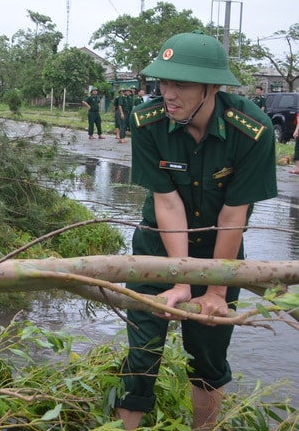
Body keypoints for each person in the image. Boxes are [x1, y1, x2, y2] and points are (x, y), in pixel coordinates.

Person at [116, 31, 277, 430]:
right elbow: (166, 202)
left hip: (221, 251)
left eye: (180, 84)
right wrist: (180, 277)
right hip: (156, 247)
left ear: (212, 87)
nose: (168, 93)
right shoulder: (146, 122)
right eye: (163, 82)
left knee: (207, 359)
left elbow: (233, 214)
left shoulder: (252, 130)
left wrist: (216, 289)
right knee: (142, 353)